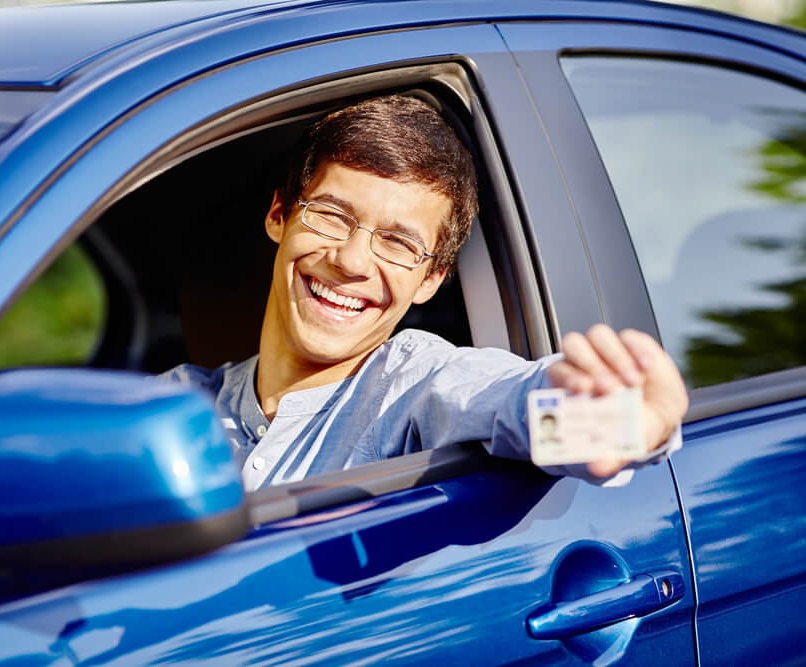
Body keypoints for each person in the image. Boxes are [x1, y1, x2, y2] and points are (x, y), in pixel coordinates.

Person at [163, 94, 688, 490]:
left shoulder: (412, 386)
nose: (350, 260)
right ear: (280, 216)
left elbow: (506, 400)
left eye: (397, 244)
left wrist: (611, 422)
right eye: (330, 215)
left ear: (432, 279)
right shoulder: (176, 401)